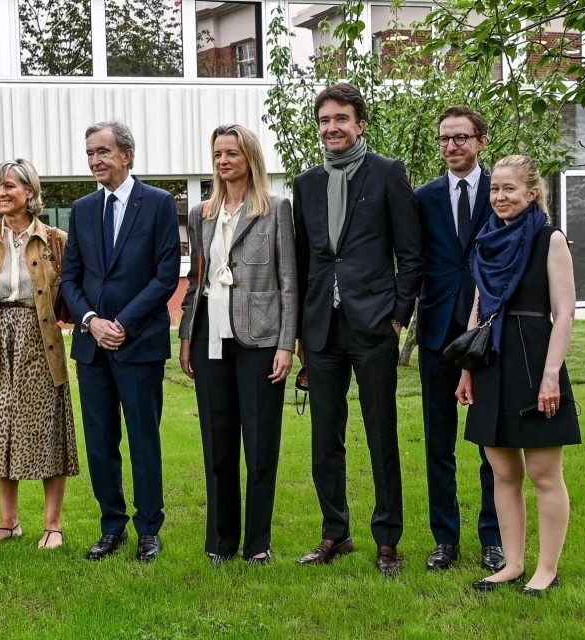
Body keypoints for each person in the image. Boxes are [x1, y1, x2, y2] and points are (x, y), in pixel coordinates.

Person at [292, 83, 423, 575]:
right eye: (325, 120)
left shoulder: (388, 173)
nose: (332, 128)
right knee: (325, 438)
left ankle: (387, 540)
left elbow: (410, 254)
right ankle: (335, 533)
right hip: (322, 331)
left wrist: (398, 317)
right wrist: (301, 331)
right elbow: (303, 260)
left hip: (374, 326)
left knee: (380, 434)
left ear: (360, 124)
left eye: (341, 119)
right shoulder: (305, 184)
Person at [457, 154, 579, 595]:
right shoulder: (486, 239)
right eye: (495, 189)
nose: (500, 196)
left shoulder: (550, 239)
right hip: (491, 362)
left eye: (509, 189)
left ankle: (546, 569)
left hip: (534, 360)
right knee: (503, 472)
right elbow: (478, 308)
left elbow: (564, 312)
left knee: (544, 473)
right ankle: (512, 564)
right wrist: (467, 370)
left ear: (532, 192)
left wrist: (551, 376)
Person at [60, 120, 180, 562]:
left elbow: (165, 275)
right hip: (92, 347)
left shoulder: (159, 203)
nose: (95, 160)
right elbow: (70, 278)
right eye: (90, 153)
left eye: (103, 152)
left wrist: (123, 324)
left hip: (139, 343)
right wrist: (92, 321)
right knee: (100, 442)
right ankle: (112, 527)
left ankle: (149, 529)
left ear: (127, 155)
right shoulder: (82, 209)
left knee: (143, 440)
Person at [179, 124, 298, 565]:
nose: (224, 161)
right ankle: (220, 542)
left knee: (261, 446)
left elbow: (289, 283)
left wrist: (286, 344)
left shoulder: (275, 209)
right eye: (218, 154)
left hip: (260, 339)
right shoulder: (202, 213)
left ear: (250, 157)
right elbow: (195, 282)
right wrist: (186, 336)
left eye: (232, 153)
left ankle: (257, 544)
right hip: (210, 336)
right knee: (218, 444)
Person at [0, 159, 79, 549]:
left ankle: (52, 525)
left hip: (40, 344)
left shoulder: (56, 240)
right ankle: (8, 523)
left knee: (47, 432)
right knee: (0, 432)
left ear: (30, 191)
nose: (0, 194)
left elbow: (72, 295)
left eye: (9, 186)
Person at [415, 106, 504, 573]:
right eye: (444, 138)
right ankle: (444, 539)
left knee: (491, 441)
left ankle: (494, 538)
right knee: (438, 441)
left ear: (481, 141)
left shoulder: (501, 191)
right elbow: (413, 259)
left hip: (489, 329)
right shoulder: (424, 197)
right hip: (437, 330)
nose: (451, 146)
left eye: (461, 138)